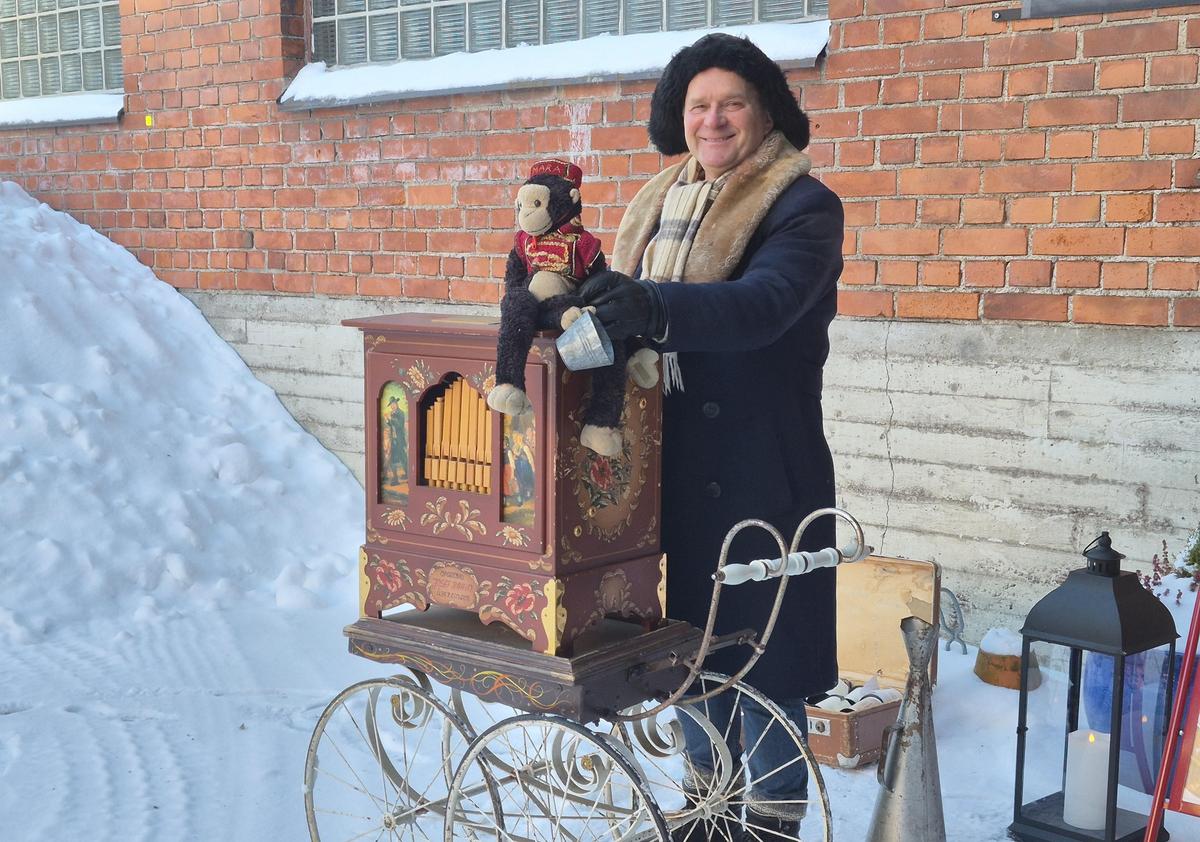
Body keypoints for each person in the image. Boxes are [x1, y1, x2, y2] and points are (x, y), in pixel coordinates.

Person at [578, 33, 844, 841]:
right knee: (688, 655)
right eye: (699, 105)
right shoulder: (659, 203)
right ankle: (705, 813)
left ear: (766, 113)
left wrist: (655, 307)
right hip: (671, 473)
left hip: (762, 476)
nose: (714, 120)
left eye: (732, 103)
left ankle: (769, 823)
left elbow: (765, 305)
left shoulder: (803, 206)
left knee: (763, 664)